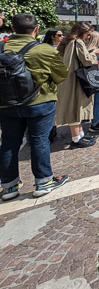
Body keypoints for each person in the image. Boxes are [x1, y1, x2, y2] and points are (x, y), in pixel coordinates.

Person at [0, 13, 69, 200]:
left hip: (6, 103)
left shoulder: (1, 48)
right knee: (39, 140)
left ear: (13, 28)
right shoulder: (44, 50)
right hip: (39, 101)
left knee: (8, 143)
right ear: (37, 29)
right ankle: (43, 181)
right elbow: (62, 75)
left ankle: (9, 187)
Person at [55, 22, 99, 148]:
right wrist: (93, 53)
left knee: (75, 107)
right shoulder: (78, 42)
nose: (88, 37)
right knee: (75, 107)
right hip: (75, 79)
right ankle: (76, 139)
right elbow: (87, 61)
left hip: (67, 79)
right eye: (88, 34)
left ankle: (80, 135)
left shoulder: (65, 42)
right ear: (82, 32)